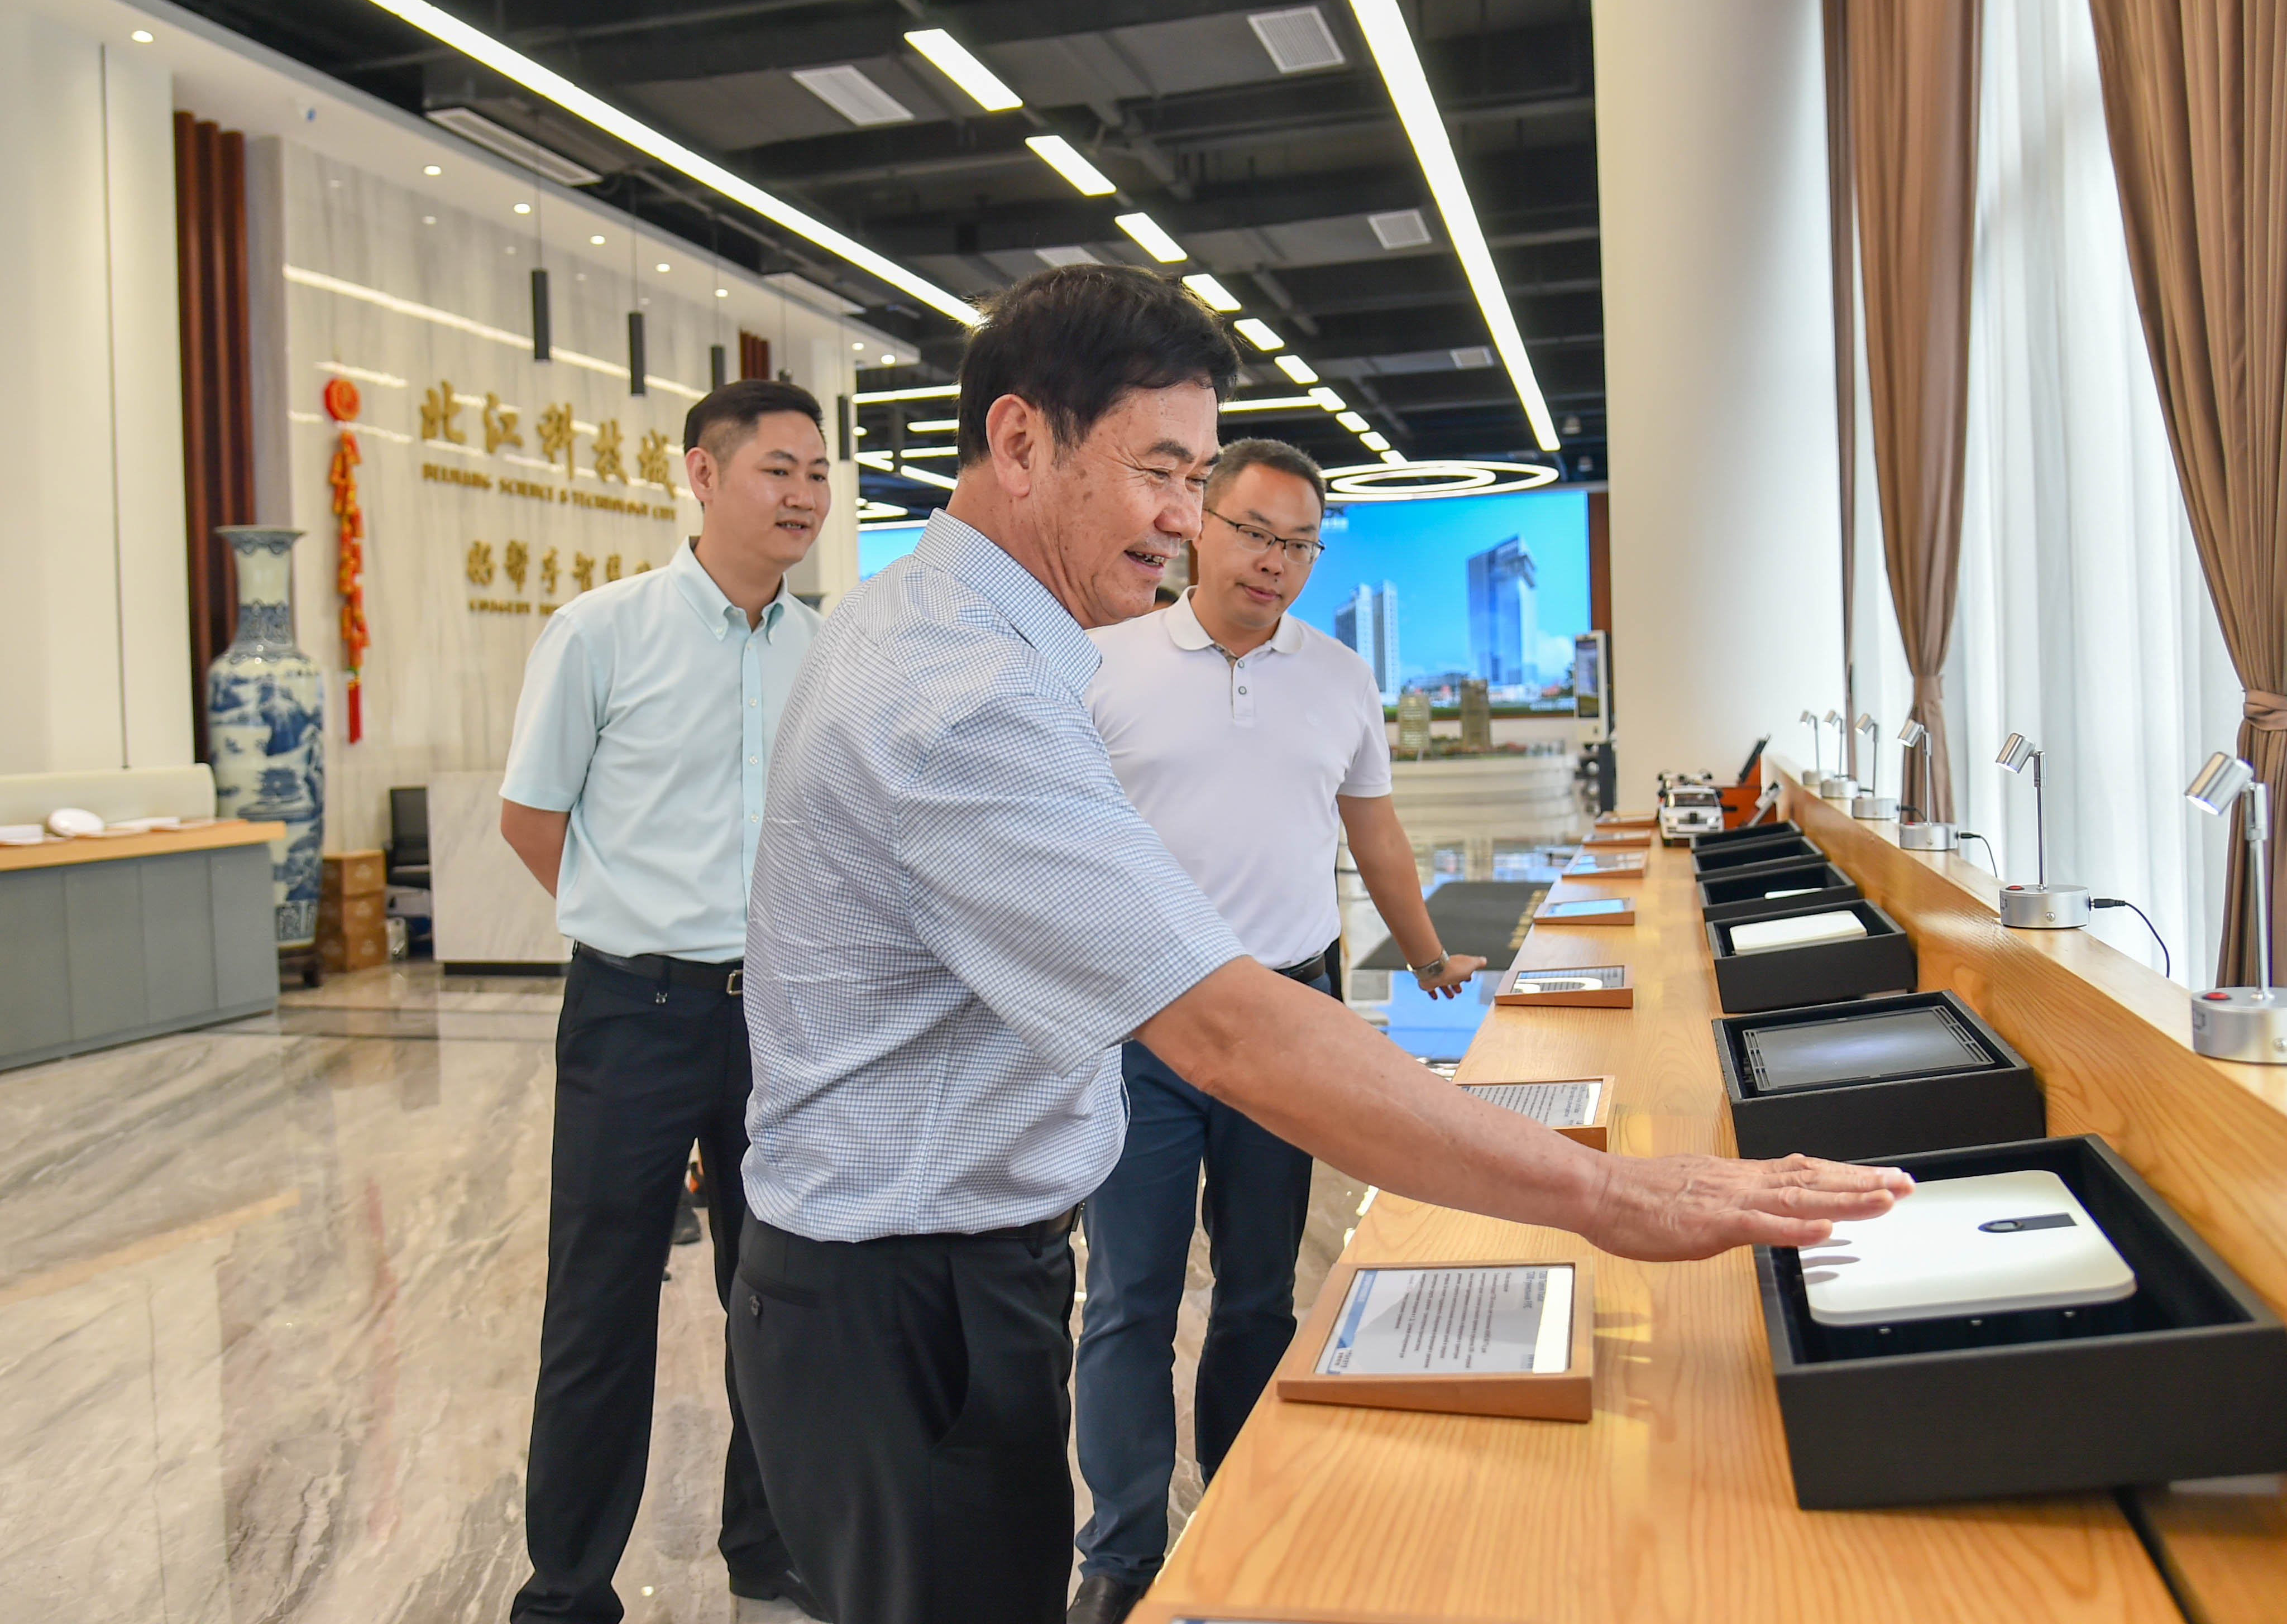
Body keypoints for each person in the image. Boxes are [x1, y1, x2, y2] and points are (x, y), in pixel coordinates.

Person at [730, 264, 1910, 1624]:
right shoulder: (962, 690)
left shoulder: (960, 634)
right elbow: (1226, 1028)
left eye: (1197, 479)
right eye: (1160, 473)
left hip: (926, 1274)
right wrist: (1609, 1195)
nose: (1183, 521)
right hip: (902, 1300)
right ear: (1019, 440)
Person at [1068, 437, 1485, 1624]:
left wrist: (1425, 953)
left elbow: (1374, 830)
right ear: (1198, 523)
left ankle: (1245, 1510)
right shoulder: (1103, 661)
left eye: (1299, 545)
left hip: (1291, 1017)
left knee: (1258, 1291)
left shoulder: (1339, 676)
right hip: (1144, 1025)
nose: (1275, 562)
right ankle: (1120, 1550)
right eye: (1254, 533)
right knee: (1130, 1296)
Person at [500, 380, 833, 1623]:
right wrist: (639, 927)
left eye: (818, 473)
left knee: (781, 1291)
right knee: (599, 1301)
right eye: (778, 470)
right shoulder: (601, 632)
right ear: (701, 474)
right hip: (631, 1015)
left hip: (781, 1019)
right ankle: (567, 1584)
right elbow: (532, 819)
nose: (804, 495)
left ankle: (769, 1544)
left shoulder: (823, 651)